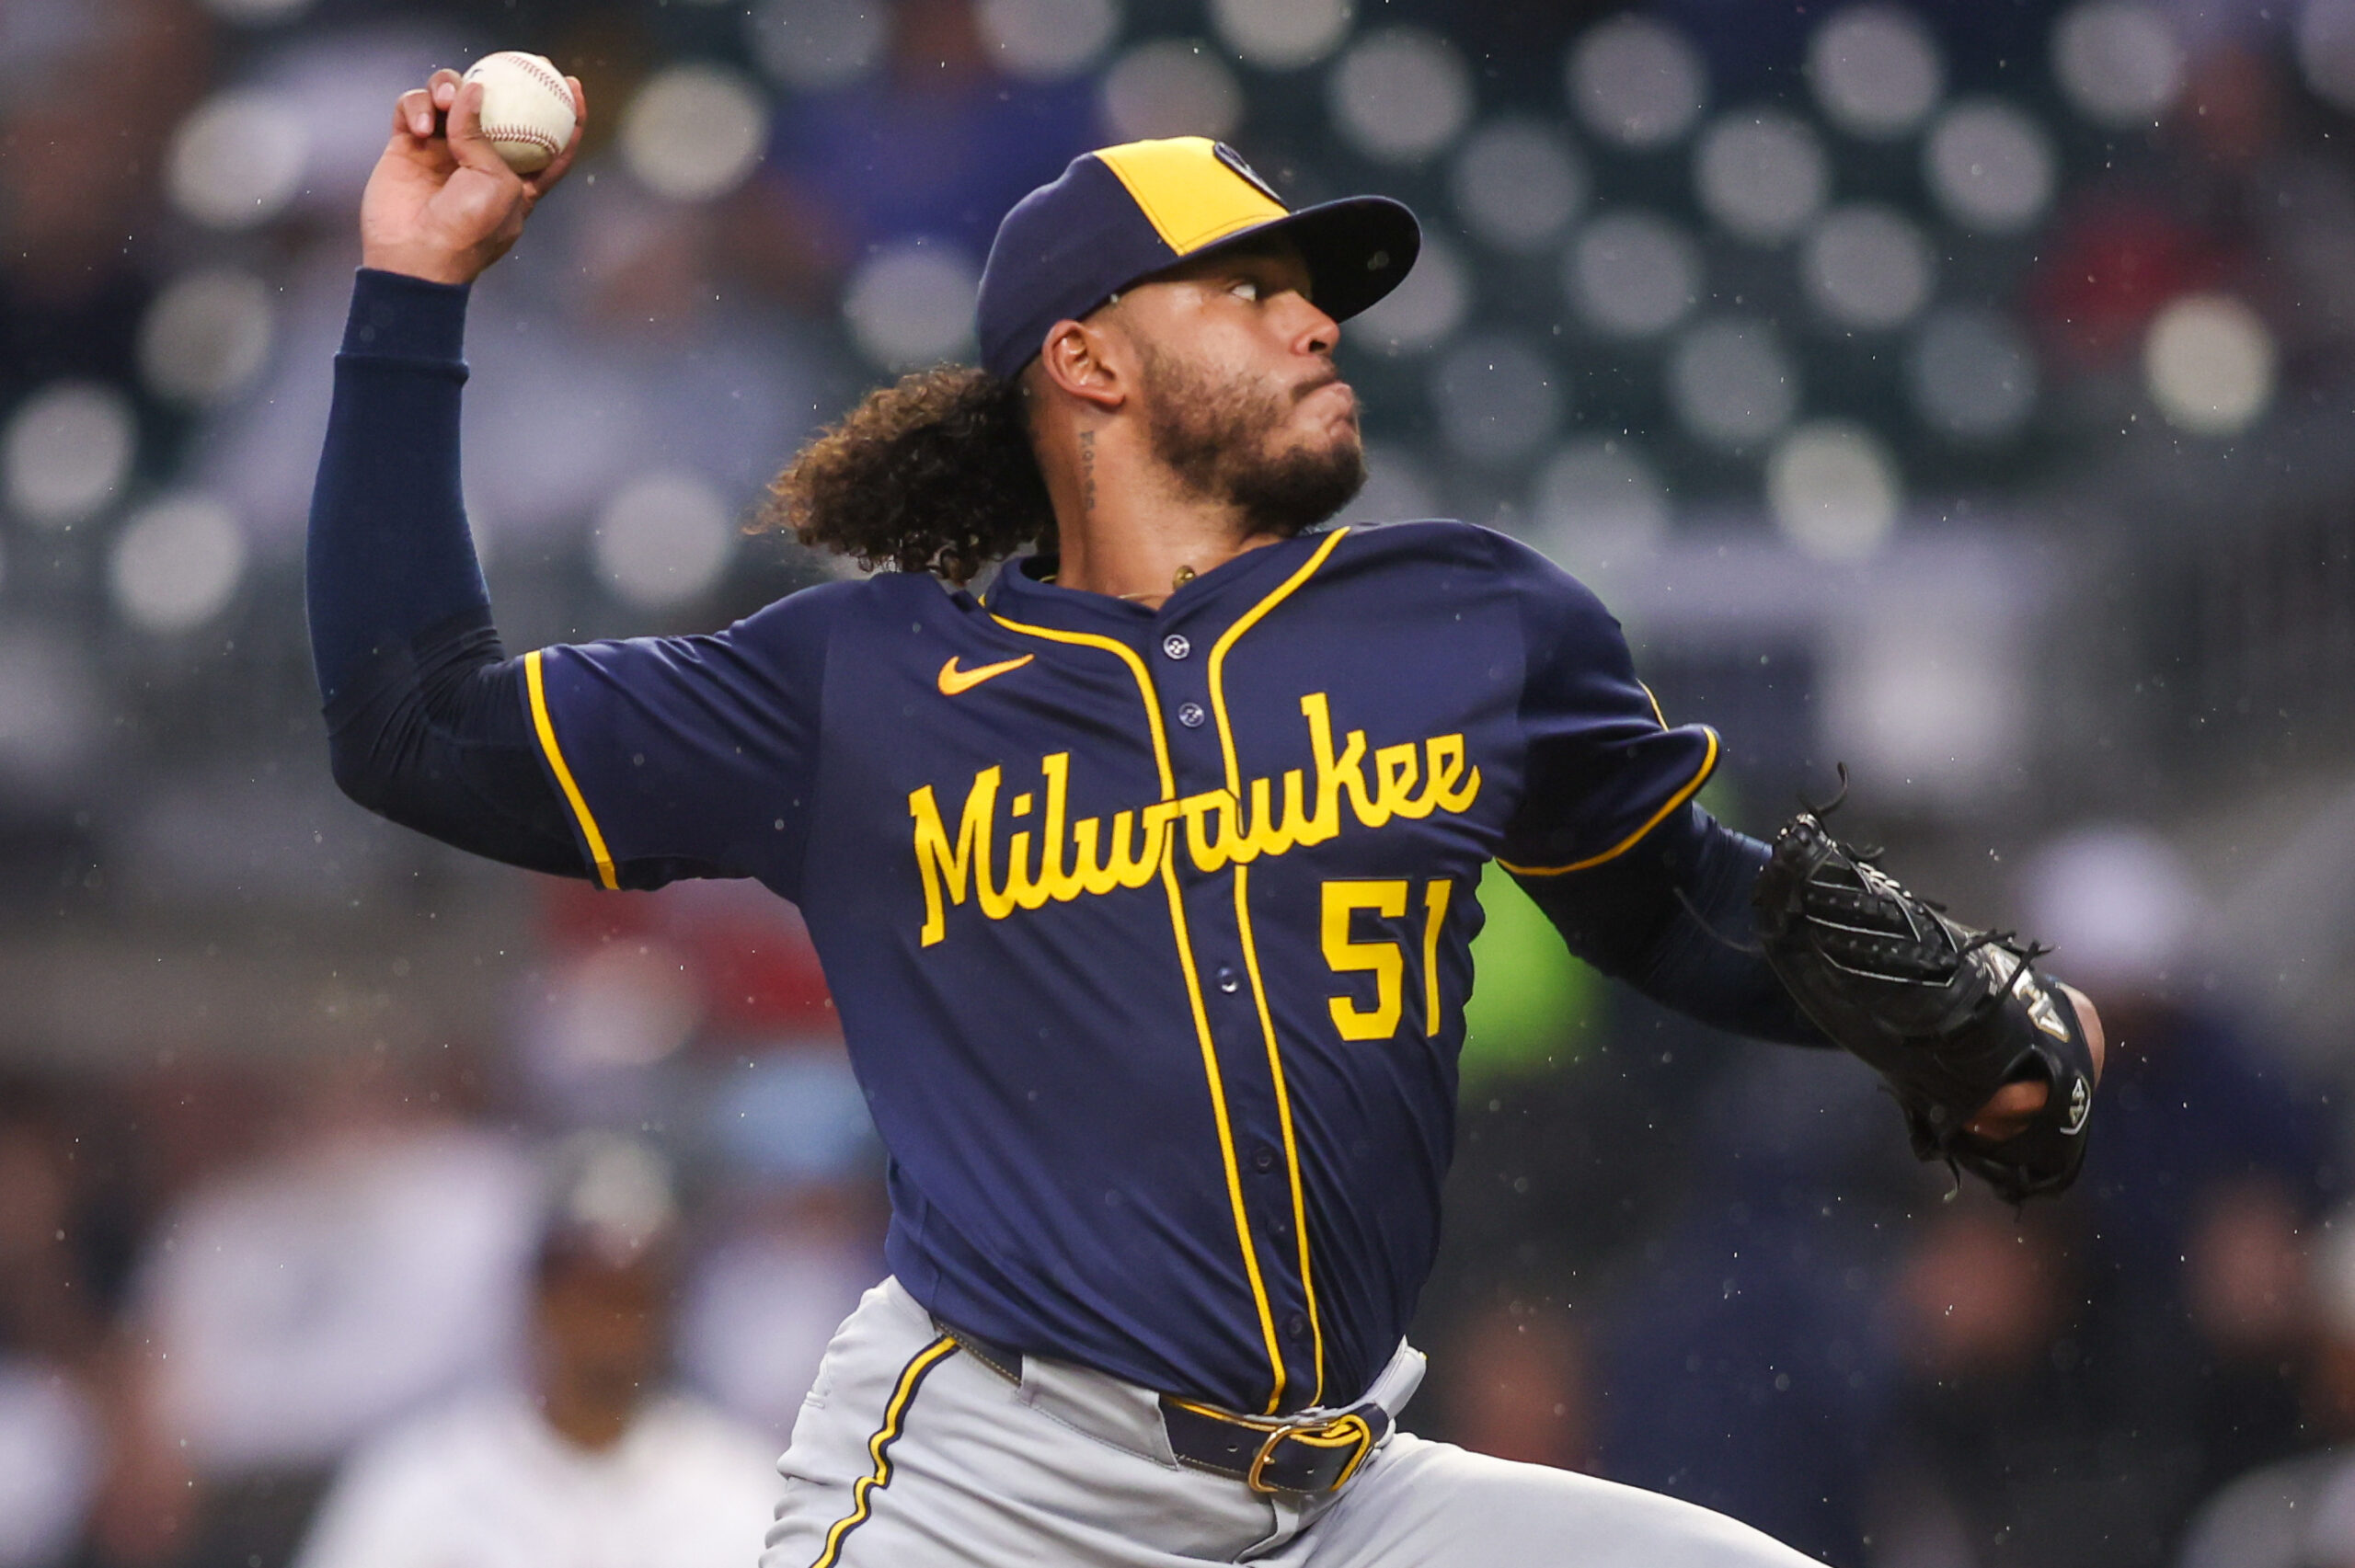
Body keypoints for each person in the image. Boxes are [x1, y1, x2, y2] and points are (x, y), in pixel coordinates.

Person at [309, 69, 2103, 1566]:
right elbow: (417, 728)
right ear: (1085, 361)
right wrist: (408, 289)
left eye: (1307, 285)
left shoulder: (1470, 623)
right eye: (1244, 289)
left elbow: (1669, 904)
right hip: (992, 1487)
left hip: (1335, 1493)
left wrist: (1946, 1026)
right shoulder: (861, 686)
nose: (1313, 315)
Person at [291, 1138, 784, 1568]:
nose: (609, 1322)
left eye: (633, 1295)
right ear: (536, 1295)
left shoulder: (743, 1486)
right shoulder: (419, 1478)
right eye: (587, 1289)